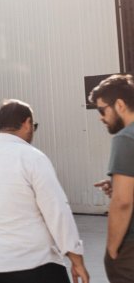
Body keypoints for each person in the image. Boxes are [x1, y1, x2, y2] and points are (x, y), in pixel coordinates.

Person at [0, 99, 89, 283]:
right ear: (27, 122)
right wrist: (75, 257)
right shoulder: (32, 157)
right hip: (35, 263)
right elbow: (57, 211)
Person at [88, 74, 134, 281]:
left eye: (102, 109)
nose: (100, 117)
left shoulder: (125, 138)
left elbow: (123, 202)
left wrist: (112, 250)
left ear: (120, 105)